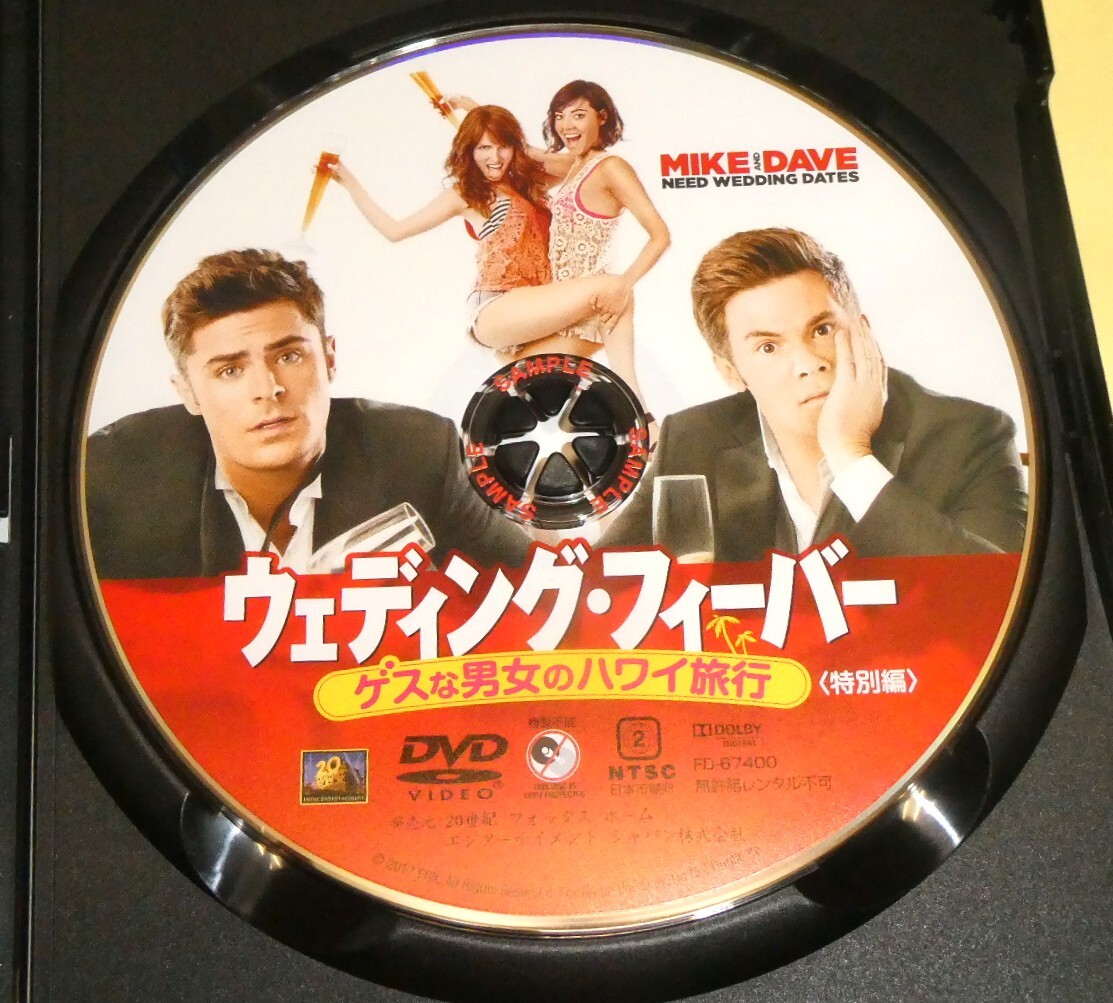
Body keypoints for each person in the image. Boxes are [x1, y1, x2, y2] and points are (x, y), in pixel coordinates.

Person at [85, 249, 530, 579]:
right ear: (188, 394)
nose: (268, 389)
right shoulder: (111, 479)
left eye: (289, 357)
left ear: (330, 359)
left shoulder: (419, 452)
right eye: (230, 370)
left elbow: (537, 592)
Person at [600, 228, 1028, 559]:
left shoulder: (970, 434)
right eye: (769, 347)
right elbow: (596, 588)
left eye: (822, 330)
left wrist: (852, 458)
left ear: (863, 331)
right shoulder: (694, 439)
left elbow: (997, 595)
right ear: (730, 371)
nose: (808, 363)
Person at [328, 105, 638, 367]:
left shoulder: (530, 185)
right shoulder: (466, 195)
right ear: (470, 152)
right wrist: (348, 180)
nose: (495, 157)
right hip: (498, 306)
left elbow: (583, 164)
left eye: (502, 146)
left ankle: (518, 370)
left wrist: (505, 133)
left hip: (536, 308)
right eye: (483, 148)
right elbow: (394, 230)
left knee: (605, 319)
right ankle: (637, 407)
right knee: (612, 287)